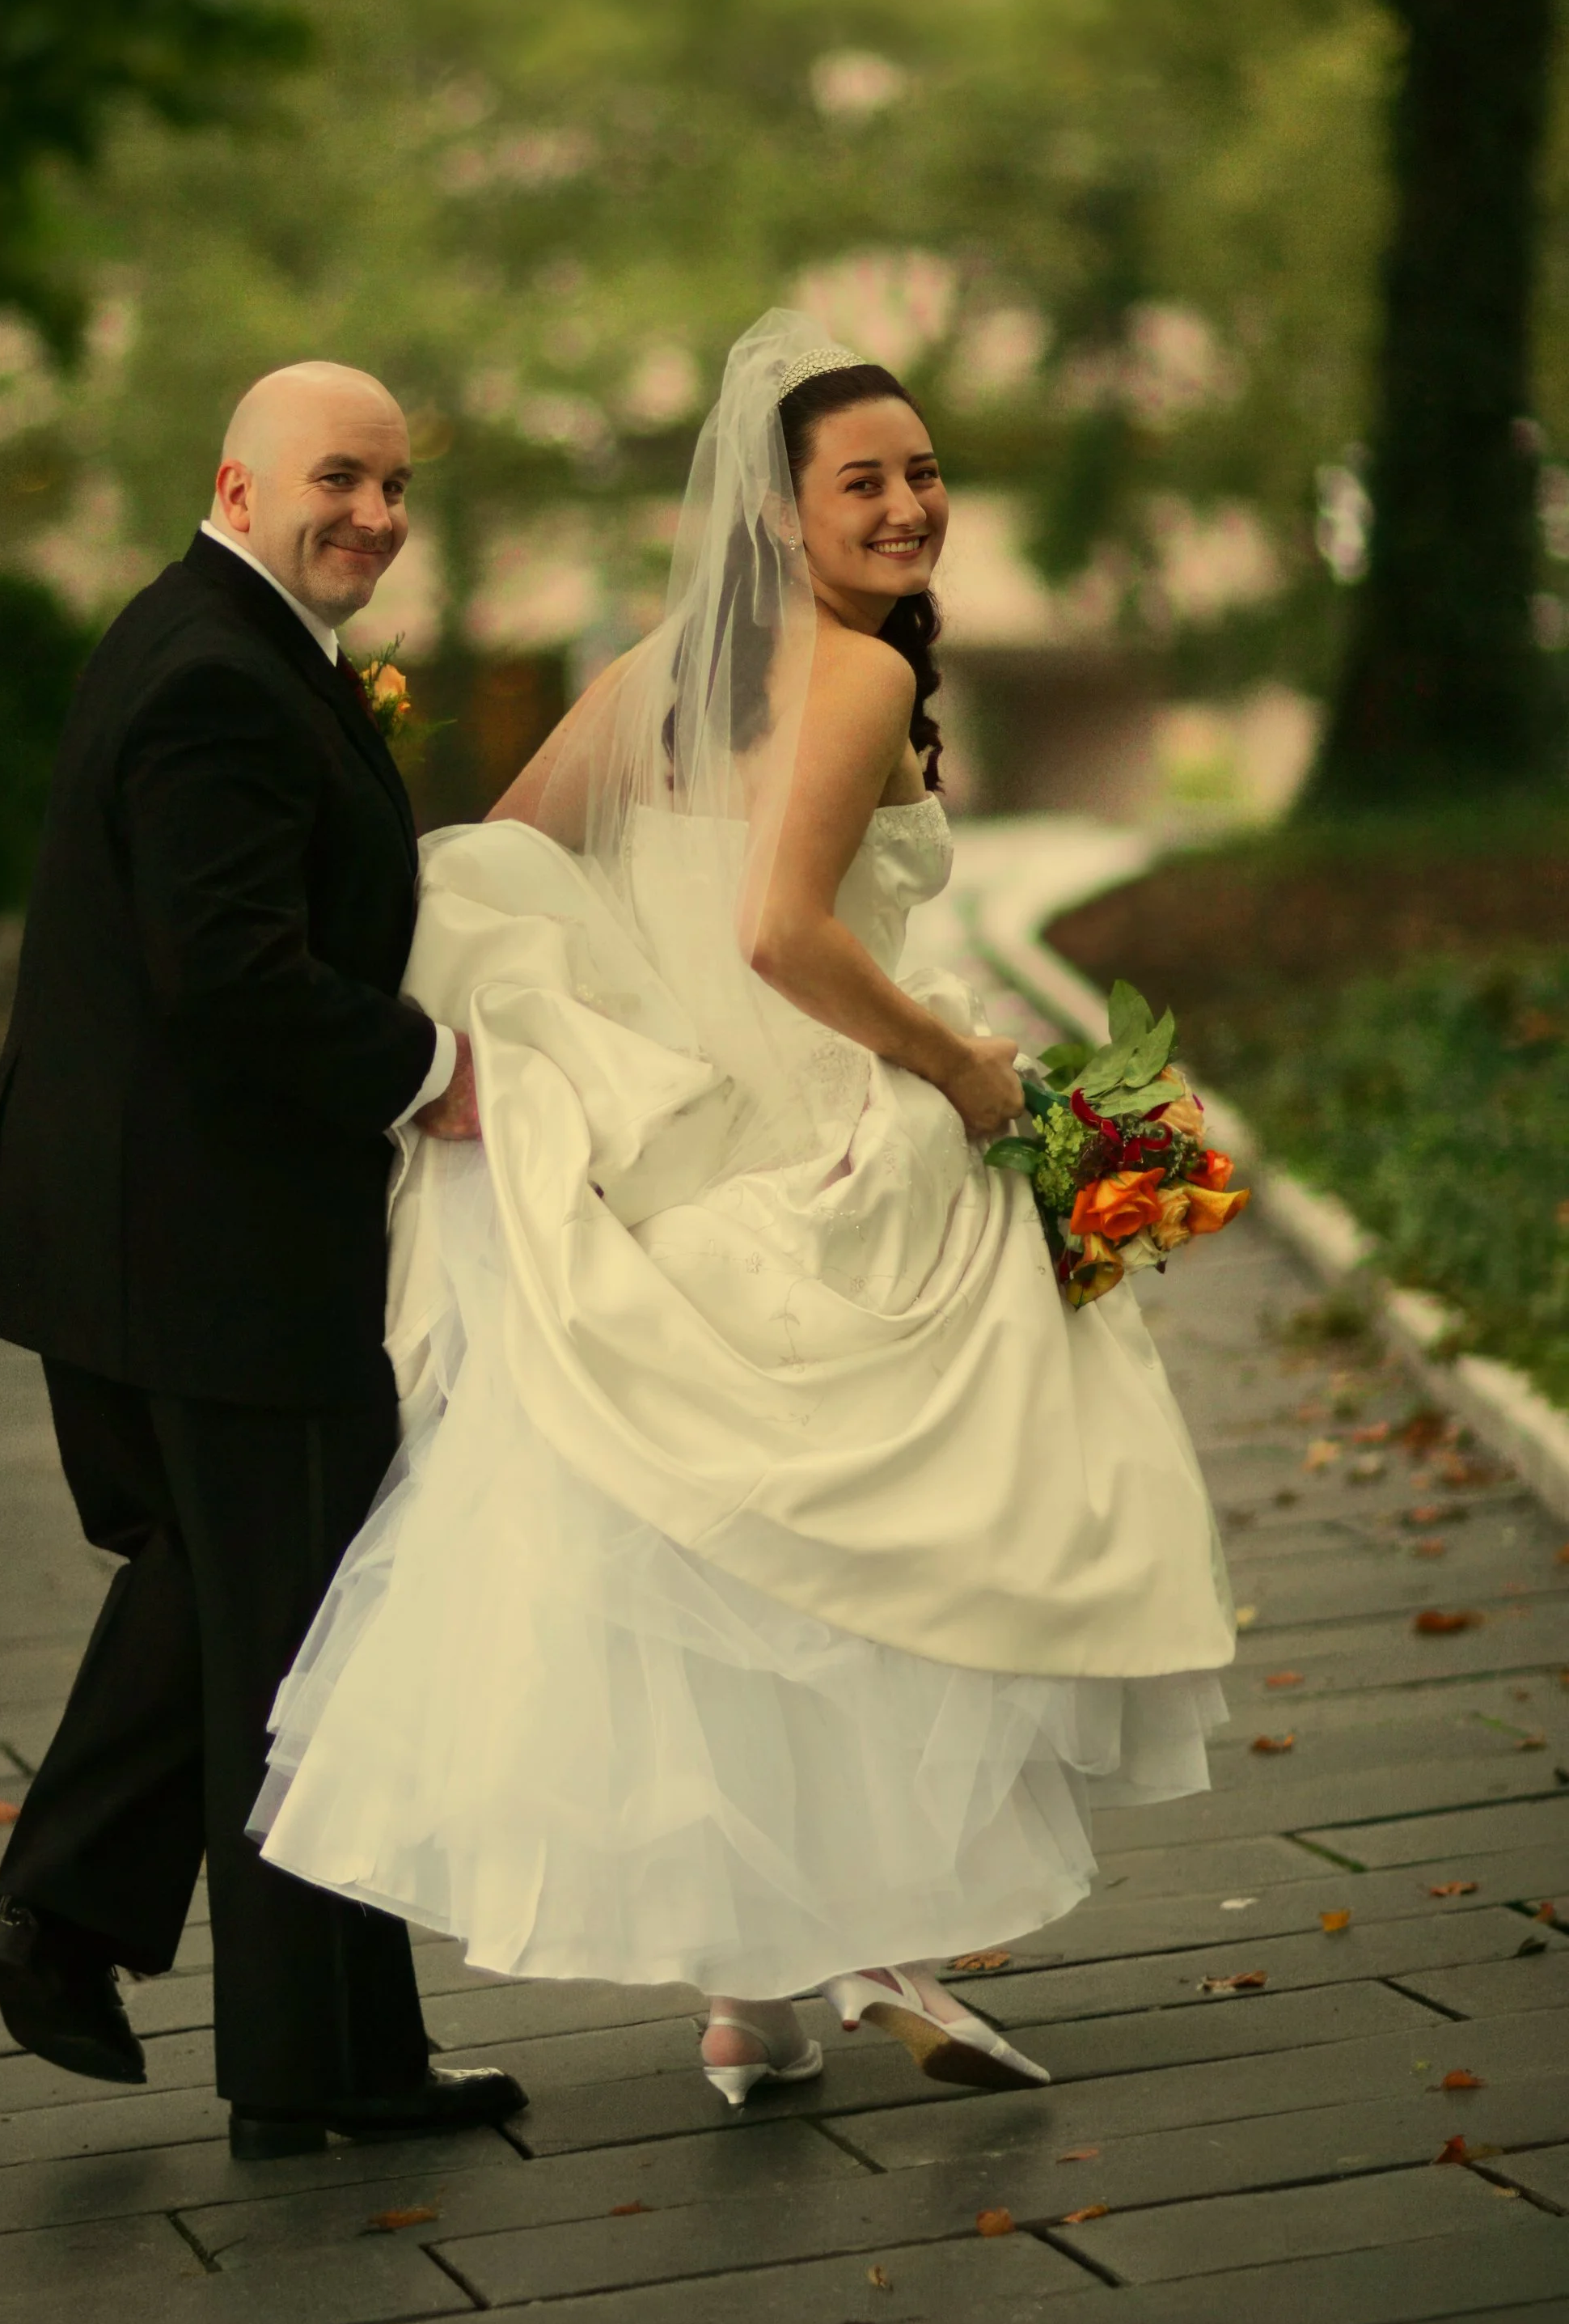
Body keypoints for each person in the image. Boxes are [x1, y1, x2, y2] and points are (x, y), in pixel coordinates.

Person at [251, 311, 1234, 2114]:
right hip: (832, 1137)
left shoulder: (656, 676)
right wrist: (966, 1073)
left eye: (925, 473)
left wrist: (599, 1050)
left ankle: (747, 1999)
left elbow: (504, 861)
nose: (909, 505)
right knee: (905, 1557)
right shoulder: (853, 677)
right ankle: (867, 1941)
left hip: (687, 1158)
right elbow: (786, 934)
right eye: (862, 481)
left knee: (748, 1564)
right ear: (776, 516)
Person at [0, 360, 522, 2160]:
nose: (377, 513)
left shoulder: (225, 636)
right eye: (340, 477)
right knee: (302, 1627)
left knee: (237, 1587)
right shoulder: (215, 675)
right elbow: (230, 974)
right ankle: (308, 2064)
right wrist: (435, 1074)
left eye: (398, 484)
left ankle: (73, 1926)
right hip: (205, 1246)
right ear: (240, 483)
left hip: (173, 1230)